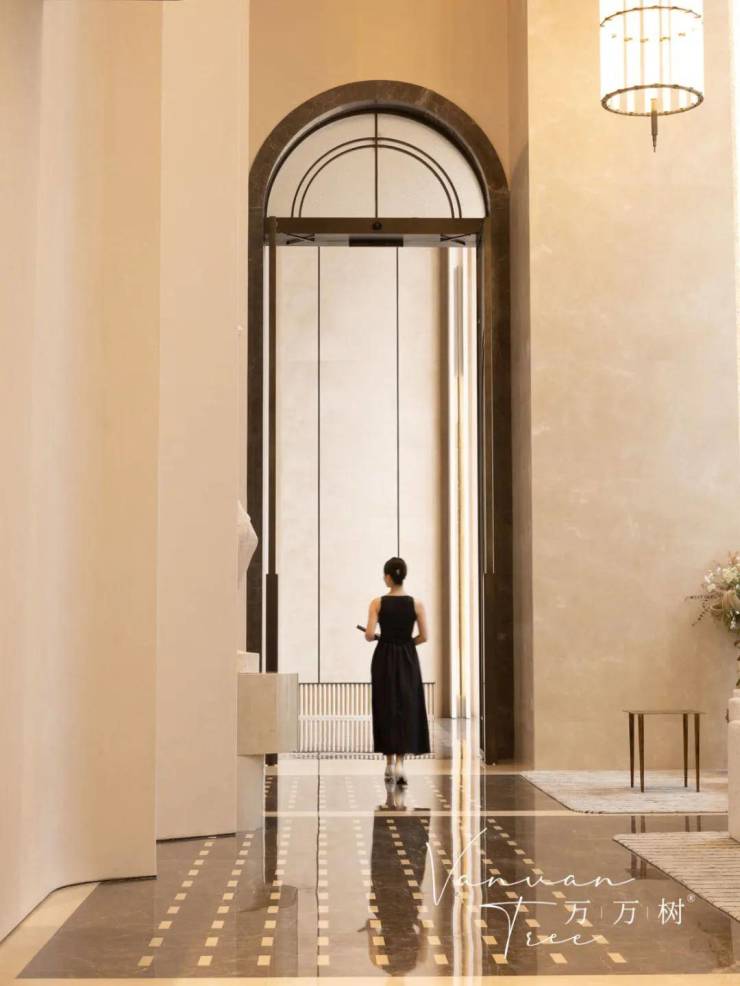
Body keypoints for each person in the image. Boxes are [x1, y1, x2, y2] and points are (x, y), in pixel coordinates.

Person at [364, 557, 431, 783]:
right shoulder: (416, 604)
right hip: (407, 658)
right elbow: (424, 636)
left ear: (388, 577)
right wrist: (407, 644)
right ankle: (401, 764)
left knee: (386, 706)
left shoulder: (377, 603)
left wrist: (381, 637)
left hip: (384, 657)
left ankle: (389, 763)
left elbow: (369, 635)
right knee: (406, 706)